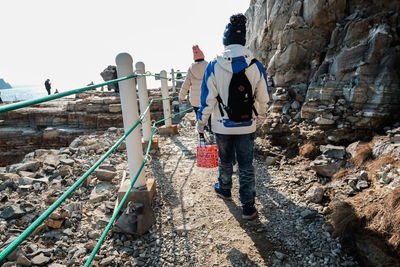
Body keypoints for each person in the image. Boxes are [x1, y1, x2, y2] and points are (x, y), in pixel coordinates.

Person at [197, 13, 270, 220]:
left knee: (225, 160)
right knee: (246, 165)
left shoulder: (213, 65)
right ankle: (248, 206)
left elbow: (207, 100)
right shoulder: (255, 65)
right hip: (247, 124)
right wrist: (261, 115)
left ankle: (225, 188)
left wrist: (201, 123)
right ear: (244, 40)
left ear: (226, 40)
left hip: (222, 125)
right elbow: (264, 96)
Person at [179, 45, 208, 119]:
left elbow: (186, 84)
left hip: (195, 101)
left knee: (199, 117)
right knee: (209, 117)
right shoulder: (208, 66)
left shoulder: (191, 69)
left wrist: (181, 97)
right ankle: (209, 128)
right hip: (207, 98)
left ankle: (200, 129)